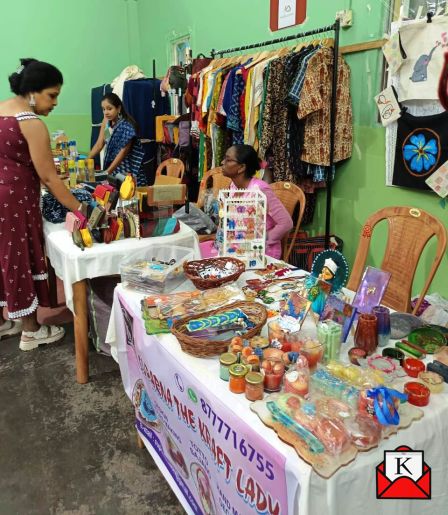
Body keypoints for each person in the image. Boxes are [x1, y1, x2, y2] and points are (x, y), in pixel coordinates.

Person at [0, 58, 83, 350]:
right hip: (15, 201)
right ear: (33, 92)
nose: (55, 102)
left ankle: (3, 322)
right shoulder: (29, 123)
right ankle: (31, 332)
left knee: (3, 257)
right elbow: (49, 177)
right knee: (21, 256)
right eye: (53, 95)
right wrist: (80, 209)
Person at [200, 144, 293, 259]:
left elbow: (286, 223)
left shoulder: (260, 190)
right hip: (236, 246)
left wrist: (262, 239)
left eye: (228, 160)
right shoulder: (233, 186)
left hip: (259, 253)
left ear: (241, 167)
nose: (222, 162)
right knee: (196, 251)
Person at [88, 93, 146, 186]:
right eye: (103, 109)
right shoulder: (106, 122)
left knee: (127, 195)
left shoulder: (126, 126)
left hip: (128, 170)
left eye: (109, 108)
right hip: (113, 169)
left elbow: (123, 152)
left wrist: (107, 172)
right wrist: (86, 159)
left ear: (118, 108)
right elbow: (99, 144)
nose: (106, 112)